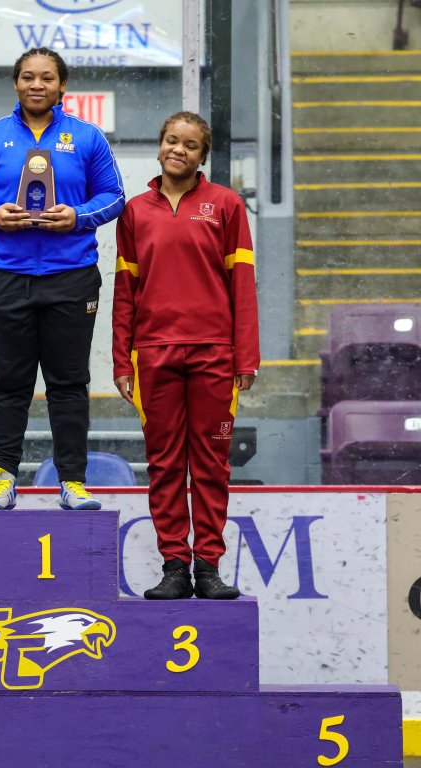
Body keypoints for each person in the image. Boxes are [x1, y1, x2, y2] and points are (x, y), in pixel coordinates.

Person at [0, 46, 125, 511]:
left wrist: (77, 216)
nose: (37, 85)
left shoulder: (87, 138)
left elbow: (114, 197)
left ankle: (72, 481)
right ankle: (2, 478)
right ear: (15, 83)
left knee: (68, 383)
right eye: (28, 77)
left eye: (47, 78)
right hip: (5, 276)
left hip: (70, 276)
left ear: (62, 86)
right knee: (8, 382)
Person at [112, 111, 259, 600]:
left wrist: (246, 357)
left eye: (190, 145)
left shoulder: (227, 205)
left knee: (211, 465)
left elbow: (242, 287)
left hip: (215, 355)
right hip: (153, 355)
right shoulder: (134, 212)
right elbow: (125, 292)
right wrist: (120, 360)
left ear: (203, 155)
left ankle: (208, 568)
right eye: (172, 141)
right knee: (165, 464)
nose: (179, 149)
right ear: (159, 146)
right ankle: (174, 565)